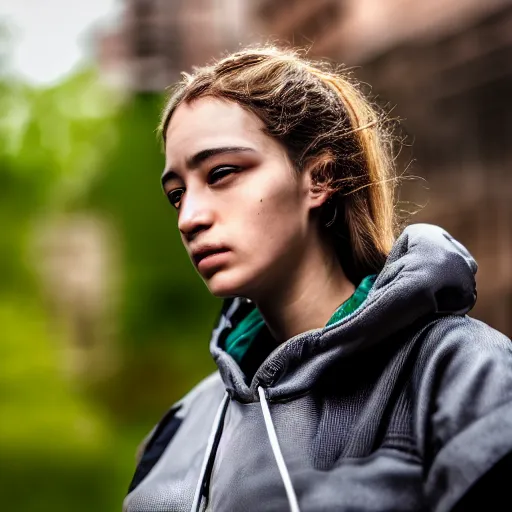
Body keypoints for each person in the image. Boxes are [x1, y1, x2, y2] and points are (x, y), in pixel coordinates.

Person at [124, 47, 512, 512]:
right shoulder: (178, 430)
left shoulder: (461, 371)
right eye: (176, 195)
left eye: (222, 173)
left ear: (319, 177)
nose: (189, 218)